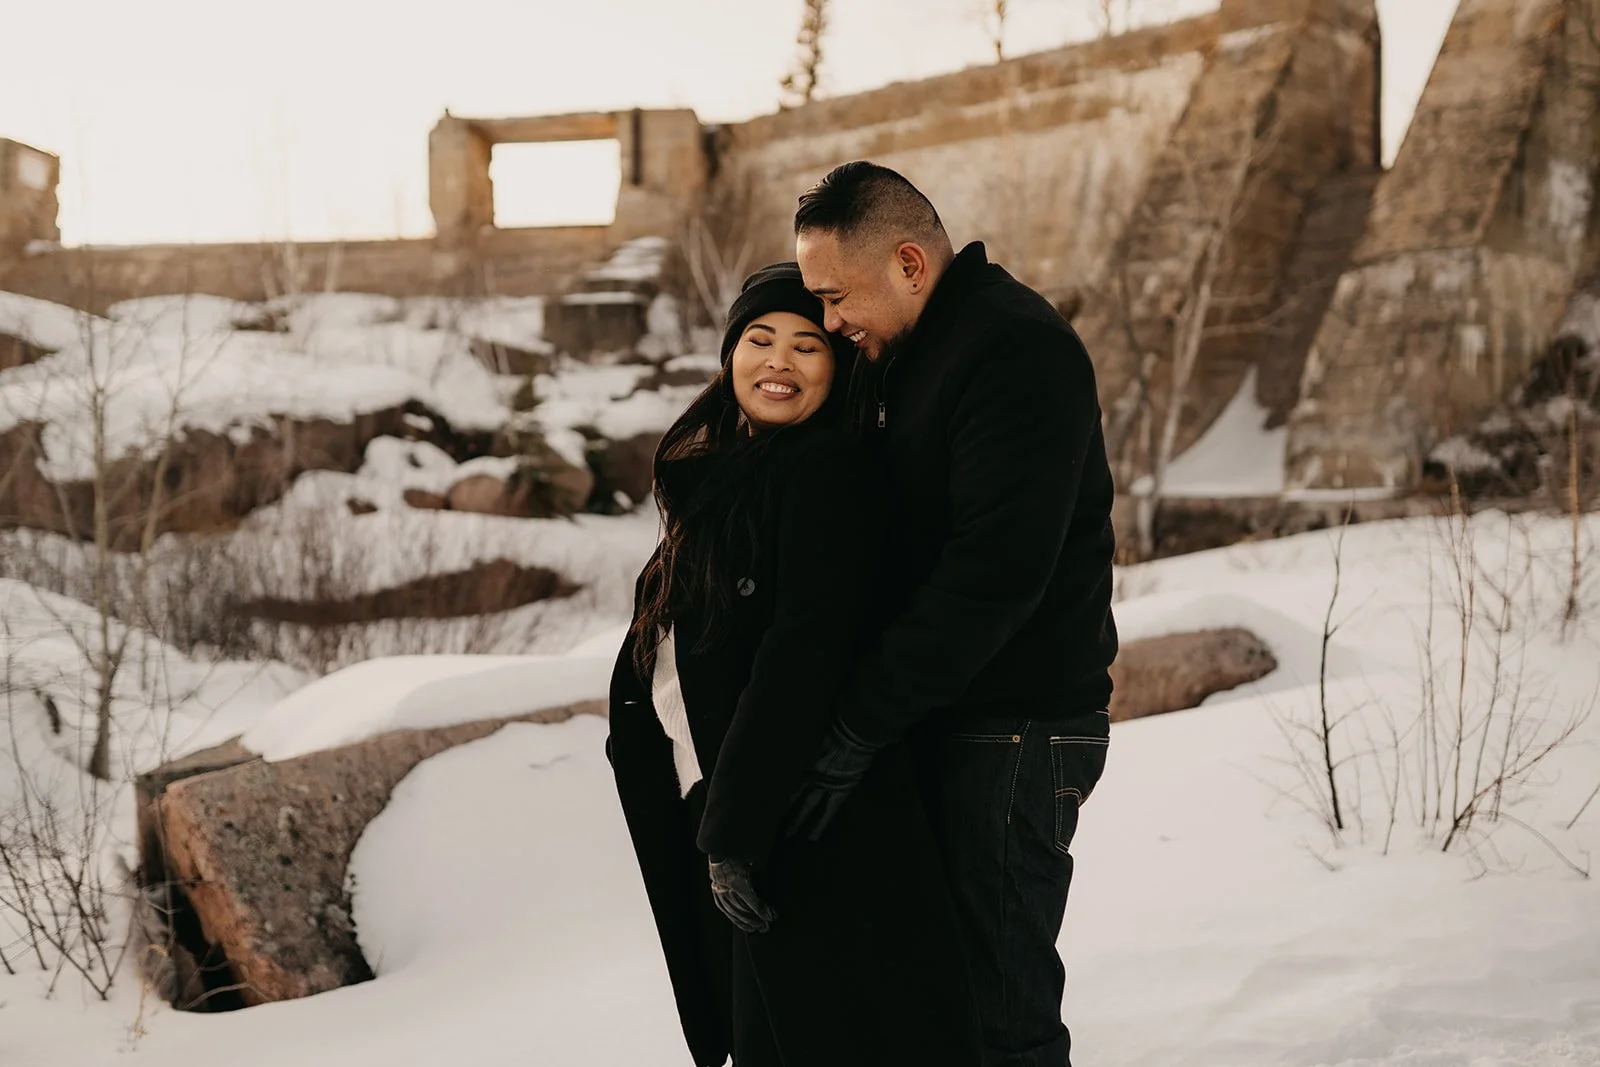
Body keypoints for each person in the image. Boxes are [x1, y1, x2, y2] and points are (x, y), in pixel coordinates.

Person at [606, 262, 981, 1067]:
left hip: (800, 832)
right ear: (730, 352)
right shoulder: (723, 484)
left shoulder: (825, 473)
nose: (779, 361)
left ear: (838, 366)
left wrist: (733, 834)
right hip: (732, 821)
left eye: (808, 345)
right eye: (760, 339)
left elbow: (799, 657)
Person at [787, 162, 1119, 1067]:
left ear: (908, 263)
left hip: (1016, 733)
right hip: (961, 724)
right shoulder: (914, 355)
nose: (829, 322)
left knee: (999, 1016)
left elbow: (994, 575)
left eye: (835, 296)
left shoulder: (1014, 350)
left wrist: (859, 722)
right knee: (945, 1010)